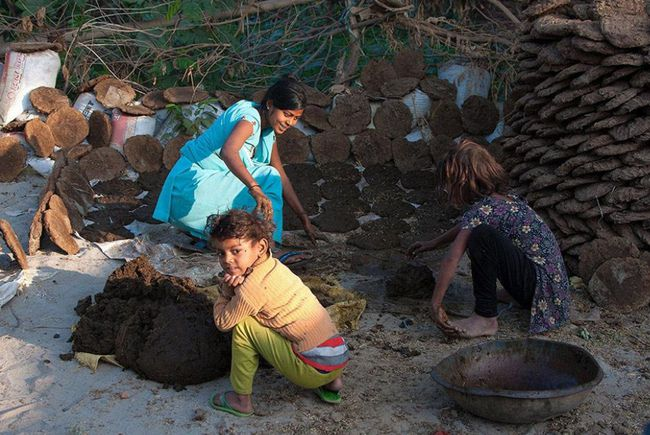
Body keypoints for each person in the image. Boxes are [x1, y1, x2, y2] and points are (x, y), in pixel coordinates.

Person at [407, 140, 570, 338]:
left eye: (448, 185)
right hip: (552, 293)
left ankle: (485, 318)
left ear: (463, 180)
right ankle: (514, 295)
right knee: (482, 233)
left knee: (482, 237)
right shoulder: (503, 201)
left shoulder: (484, 211)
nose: (448, 191)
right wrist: (433, 243)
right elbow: (465, 226)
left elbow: (452, 258)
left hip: (540, 292)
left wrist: (435, 304)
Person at [208, 210, 349, 417]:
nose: (227, 260)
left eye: (236, 251)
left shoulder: (251, 289)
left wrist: (226, 291)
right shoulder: (276, 267)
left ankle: (241, 400)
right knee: (285, 318)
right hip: (337, 357)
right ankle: (332, 383)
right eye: (221, 253)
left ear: (261, 246)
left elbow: (222, 322)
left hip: (312, 371)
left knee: (244, 325)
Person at [153, 76, 316, 255]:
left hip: (203, 191)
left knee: (268, 178)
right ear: (270, 104)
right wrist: (254, 188)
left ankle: (233, 241)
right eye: (287, 114)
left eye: (296, 118)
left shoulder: (268, 132)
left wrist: (303, 217)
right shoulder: (249, 120)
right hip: (188, 190)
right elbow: (228, 152)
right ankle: (269, 249)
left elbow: (282, 176)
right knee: (266, 178)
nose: (290, 123)